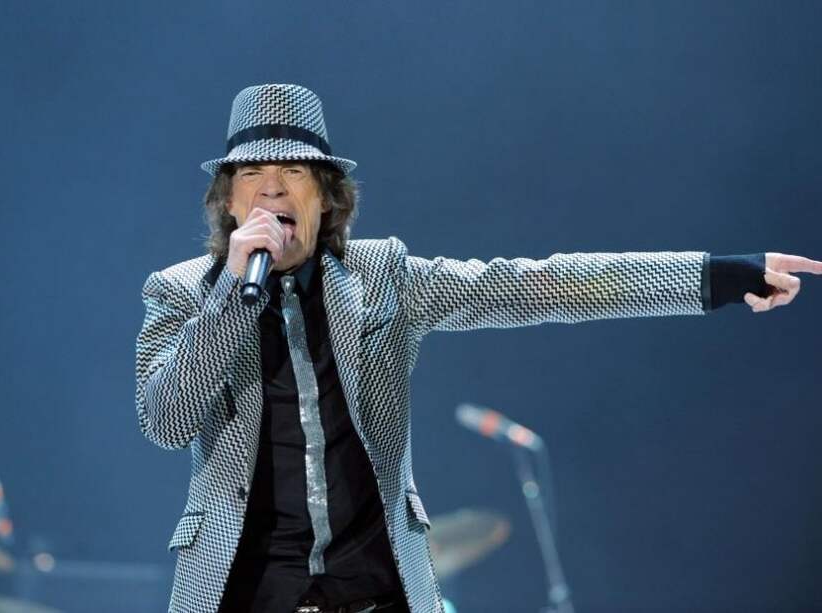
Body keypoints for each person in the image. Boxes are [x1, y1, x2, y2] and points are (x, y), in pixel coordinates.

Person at [135, 84, 821, 613]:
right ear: (228, 202)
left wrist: (713, 276)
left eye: (295, 170)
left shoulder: (384, 278)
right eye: (253, 172)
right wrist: (231, 293)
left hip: (378, 594)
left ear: (327, 197)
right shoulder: (181, 292)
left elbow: (541, 285)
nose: (274, 186)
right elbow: (165, 421)